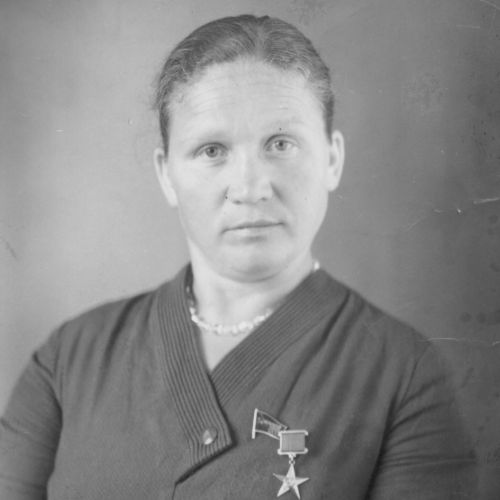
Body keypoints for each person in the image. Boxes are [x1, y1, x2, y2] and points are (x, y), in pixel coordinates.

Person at [0, 14, 476, 499]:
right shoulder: (68, 360)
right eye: (212, 150)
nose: (249, 187)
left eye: (281, 144)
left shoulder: (404, 374)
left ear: (332, 160)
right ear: (166, 175)